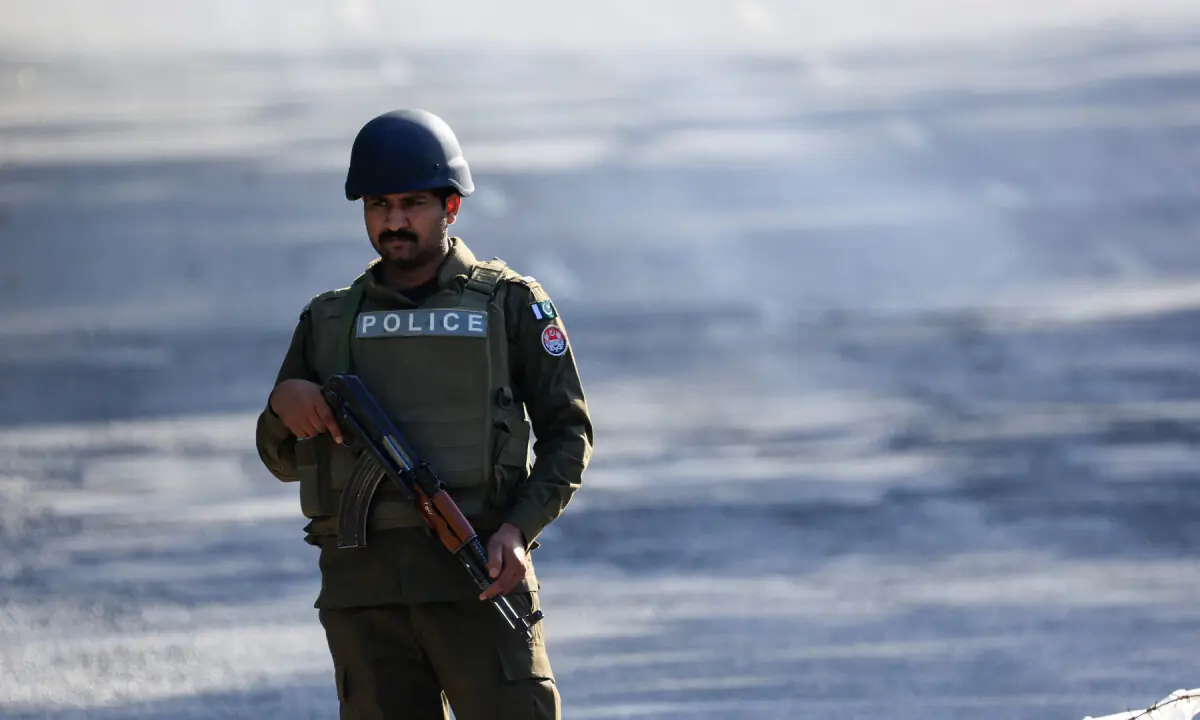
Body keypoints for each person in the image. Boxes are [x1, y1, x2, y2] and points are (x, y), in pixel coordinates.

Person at [255, 108, 593, 720]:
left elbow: (568, 434)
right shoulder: (329, 320)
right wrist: (286, 408)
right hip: (365, 597)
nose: (395, 221)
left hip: (477, 579)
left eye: (412, 203)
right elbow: (279, 457)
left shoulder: (510, 304)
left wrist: (518, 530)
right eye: (379, 206)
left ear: (450, 208)